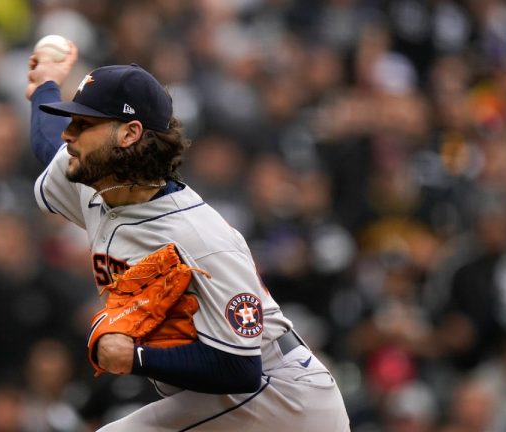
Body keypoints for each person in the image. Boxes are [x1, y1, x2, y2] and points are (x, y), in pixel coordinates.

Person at [25, 41, 351, 431]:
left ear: (129, 134)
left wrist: (138, 357)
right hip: (226, 399)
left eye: (83, 124)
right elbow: (47, 145)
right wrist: (47, 83)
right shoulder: (97, 182)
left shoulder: (199, 237)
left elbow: (240, 368)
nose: (68, 135)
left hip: (280, 400)